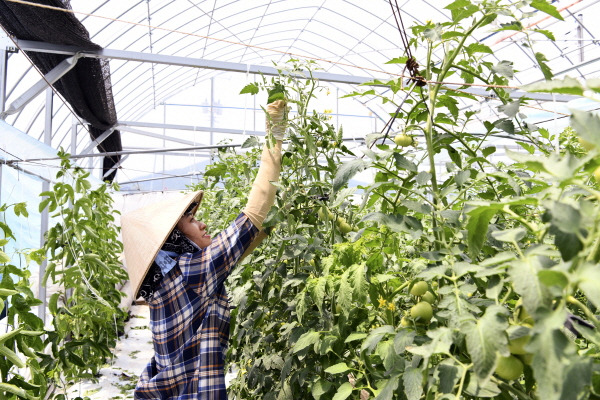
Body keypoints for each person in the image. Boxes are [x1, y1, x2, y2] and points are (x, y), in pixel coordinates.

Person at [121, 99, 287, 399]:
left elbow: (230, 257)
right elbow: (256, 207)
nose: (202, 224)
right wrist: (275, 131)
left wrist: (266, 229)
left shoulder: (167, 280)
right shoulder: (192, 273)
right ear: (174, 238)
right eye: (192, 220)